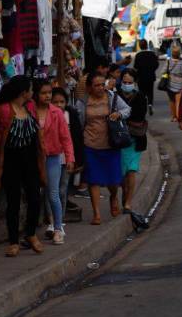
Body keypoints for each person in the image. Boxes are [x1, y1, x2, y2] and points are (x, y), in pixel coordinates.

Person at [0, 76, 47, 257]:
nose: (33, 93)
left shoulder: (30, 108)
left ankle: (30, 234)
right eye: (31, 90)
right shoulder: (2, 110)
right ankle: (13, 242)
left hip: (30, 160)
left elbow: (37, 134)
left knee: (34, 198)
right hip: (11, 162)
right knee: (12, 203)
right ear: (23, 92)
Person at [75, 72, 131, 225]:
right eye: (96, 85)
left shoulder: (112, 96)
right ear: (89, 87)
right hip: (90, 145)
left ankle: (113, 197)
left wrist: (118, 114)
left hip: (111, 145)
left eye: (102, 84)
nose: (100, 88)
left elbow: (127, 110)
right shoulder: (83, 102)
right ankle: (97, 214)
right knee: (93, 179)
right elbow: (78, 123)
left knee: (113, 181)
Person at [30, 79, 75, 245]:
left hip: (53, 157)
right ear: (35, 94)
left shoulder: (56, 113)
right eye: (43, 93)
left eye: (49, 92)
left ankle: (58, 228)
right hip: (33, 158)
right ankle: (32, 232)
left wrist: (70, 158)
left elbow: (66, 138)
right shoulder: (29, 111)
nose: (47, 96)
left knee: (53, 194)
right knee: (34, 194)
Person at [51, 87, 85, 222]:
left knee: (62, 189)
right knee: (52, 190)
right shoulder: (45, 115)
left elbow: (77, 138)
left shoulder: (70, 114)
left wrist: (78, 160)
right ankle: (51, 219)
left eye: (62, 102)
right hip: (51, 158)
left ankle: (60, 217)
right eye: (56, 102)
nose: (59, 105)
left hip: (66, 158)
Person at [118, 68, 149, 212]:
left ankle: (128, 202)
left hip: (134, 139)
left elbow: (138, 116)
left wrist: (121, 116)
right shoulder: (115, 95)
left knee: (131, 170)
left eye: (129, 82)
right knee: (122, 172)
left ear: (134, 83)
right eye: (124, 82)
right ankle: (124, 194)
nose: (126, 84)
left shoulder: (141, 97)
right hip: (118, 140)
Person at [133, 39, 159, 115]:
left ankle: (143, 106)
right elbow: (156, 64)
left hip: (141, 77)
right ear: (147, 45)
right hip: (150, 76)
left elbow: (135, 66)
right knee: (150, 91)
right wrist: (152, 70)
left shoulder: (138, 55)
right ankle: (150, 104)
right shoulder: (152, 54)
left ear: (140, 46)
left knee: (142, 92)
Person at [166, 46, 182, 122]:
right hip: (180, 85)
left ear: (172, 54)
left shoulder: (168, 62)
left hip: (170, 84)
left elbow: (162, 72)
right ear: (179, 54)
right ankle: (179, 117)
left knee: (172, 101)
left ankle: (174, 116)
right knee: (179, 101)